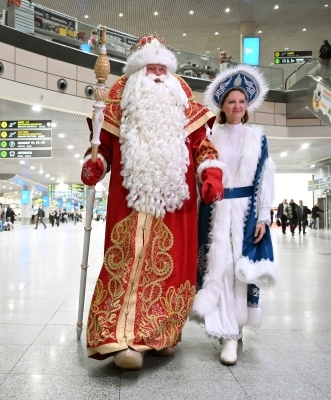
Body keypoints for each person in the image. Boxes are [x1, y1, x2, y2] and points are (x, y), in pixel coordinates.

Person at [80, 33, 224, 370]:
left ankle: (163, 336)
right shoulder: (118, 104)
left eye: (162, 67)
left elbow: (204, 147)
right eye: (150, 67)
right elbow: (102, 151)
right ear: (136, 73)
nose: (157, 73)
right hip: (130, 203)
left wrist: (212, 175)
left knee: (174, 269)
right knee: (126, 264)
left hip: (177, 208)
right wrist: (94, 165)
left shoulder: (185, 103)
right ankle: (125, 340)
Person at [191, 65, 276, 366]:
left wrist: (264, 216)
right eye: (231, 102)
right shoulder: (209, 134)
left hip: (246, 213)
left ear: (247, 105)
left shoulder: (257, 137)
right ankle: (225, 331)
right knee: (219, 267)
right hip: (214, 211)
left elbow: (264, 177)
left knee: (240, 271)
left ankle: (235, 330)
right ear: (222, 106)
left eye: (241, 101)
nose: (237, 106)